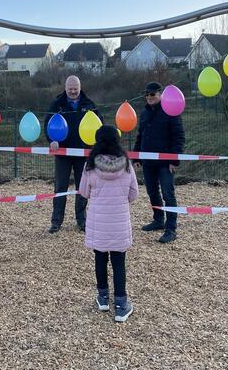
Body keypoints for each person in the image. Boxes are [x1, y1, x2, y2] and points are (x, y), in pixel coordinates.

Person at [79, 125, 138, 323]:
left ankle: (103, 298)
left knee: (100, 259)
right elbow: (134, 194)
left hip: (98, 221)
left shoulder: (90, 166)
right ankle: (121, 304)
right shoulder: (127, 165)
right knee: (119, 262)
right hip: (119, 221)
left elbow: (84, 192)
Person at [44, 75, 101, 233]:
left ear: (80, 87)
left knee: (82, 188)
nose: (73, 91)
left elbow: (99, 122)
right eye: (70, 89)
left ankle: (82, 221)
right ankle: (56, 222)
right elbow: (47, 123)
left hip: (83, 153)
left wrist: (97, 142)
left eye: (75, 88)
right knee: (60, 187)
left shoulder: (89, 104)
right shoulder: (57, 104)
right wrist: (51, 140)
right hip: (62, 153)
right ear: (65, 88)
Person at [133, 82, 185, 244]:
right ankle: (158, 220)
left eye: (152, 94)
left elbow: (178, 137)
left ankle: (171, 228)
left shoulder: (171, 111)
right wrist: (136, 157)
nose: (149, 97)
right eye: (146, 94)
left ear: (160, 94)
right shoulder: (144, 112)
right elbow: (140, 136)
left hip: (165, 163)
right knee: (152, 192)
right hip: (148, 161)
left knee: (168, 193)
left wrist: (174, 160)